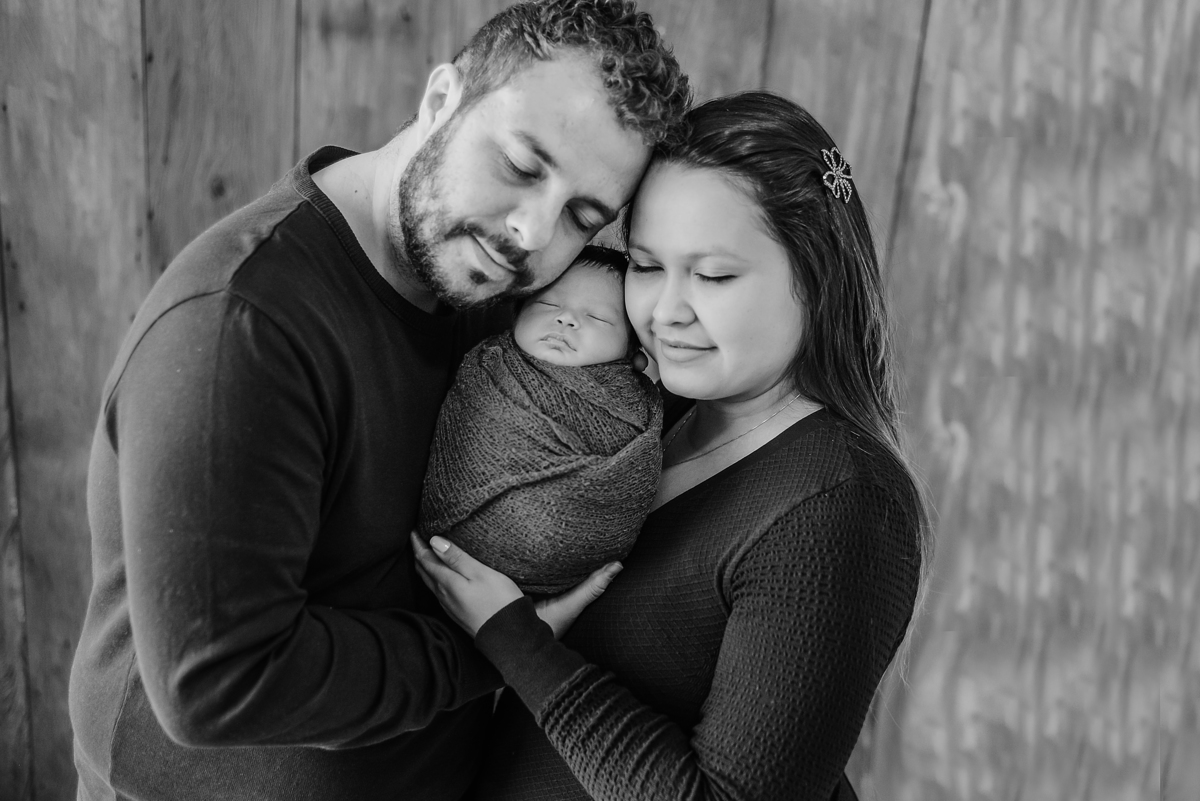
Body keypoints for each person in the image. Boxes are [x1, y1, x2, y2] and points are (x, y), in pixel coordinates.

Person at [67, 2, 690, 799]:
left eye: (581, 216)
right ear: (441, 99)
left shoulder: (491, 289)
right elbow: (218, 684)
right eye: (521, 164)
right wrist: (498, 645)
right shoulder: (242, 326)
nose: (533, 232)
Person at [413, 90, 933, 801]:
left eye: (713, 275)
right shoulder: (648, 408)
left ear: (816, 279)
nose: (665, 312)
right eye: (647, 266)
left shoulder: (840, 505)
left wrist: (516, 641)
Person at [418, 245, 663, 595]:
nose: (566, 320)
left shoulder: (631, 407)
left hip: (562, 574)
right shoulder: (488, 368)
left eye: (597, 318)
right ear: (515, 314)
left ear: (631, 351)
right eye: (548, 304)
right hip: (451, 550)